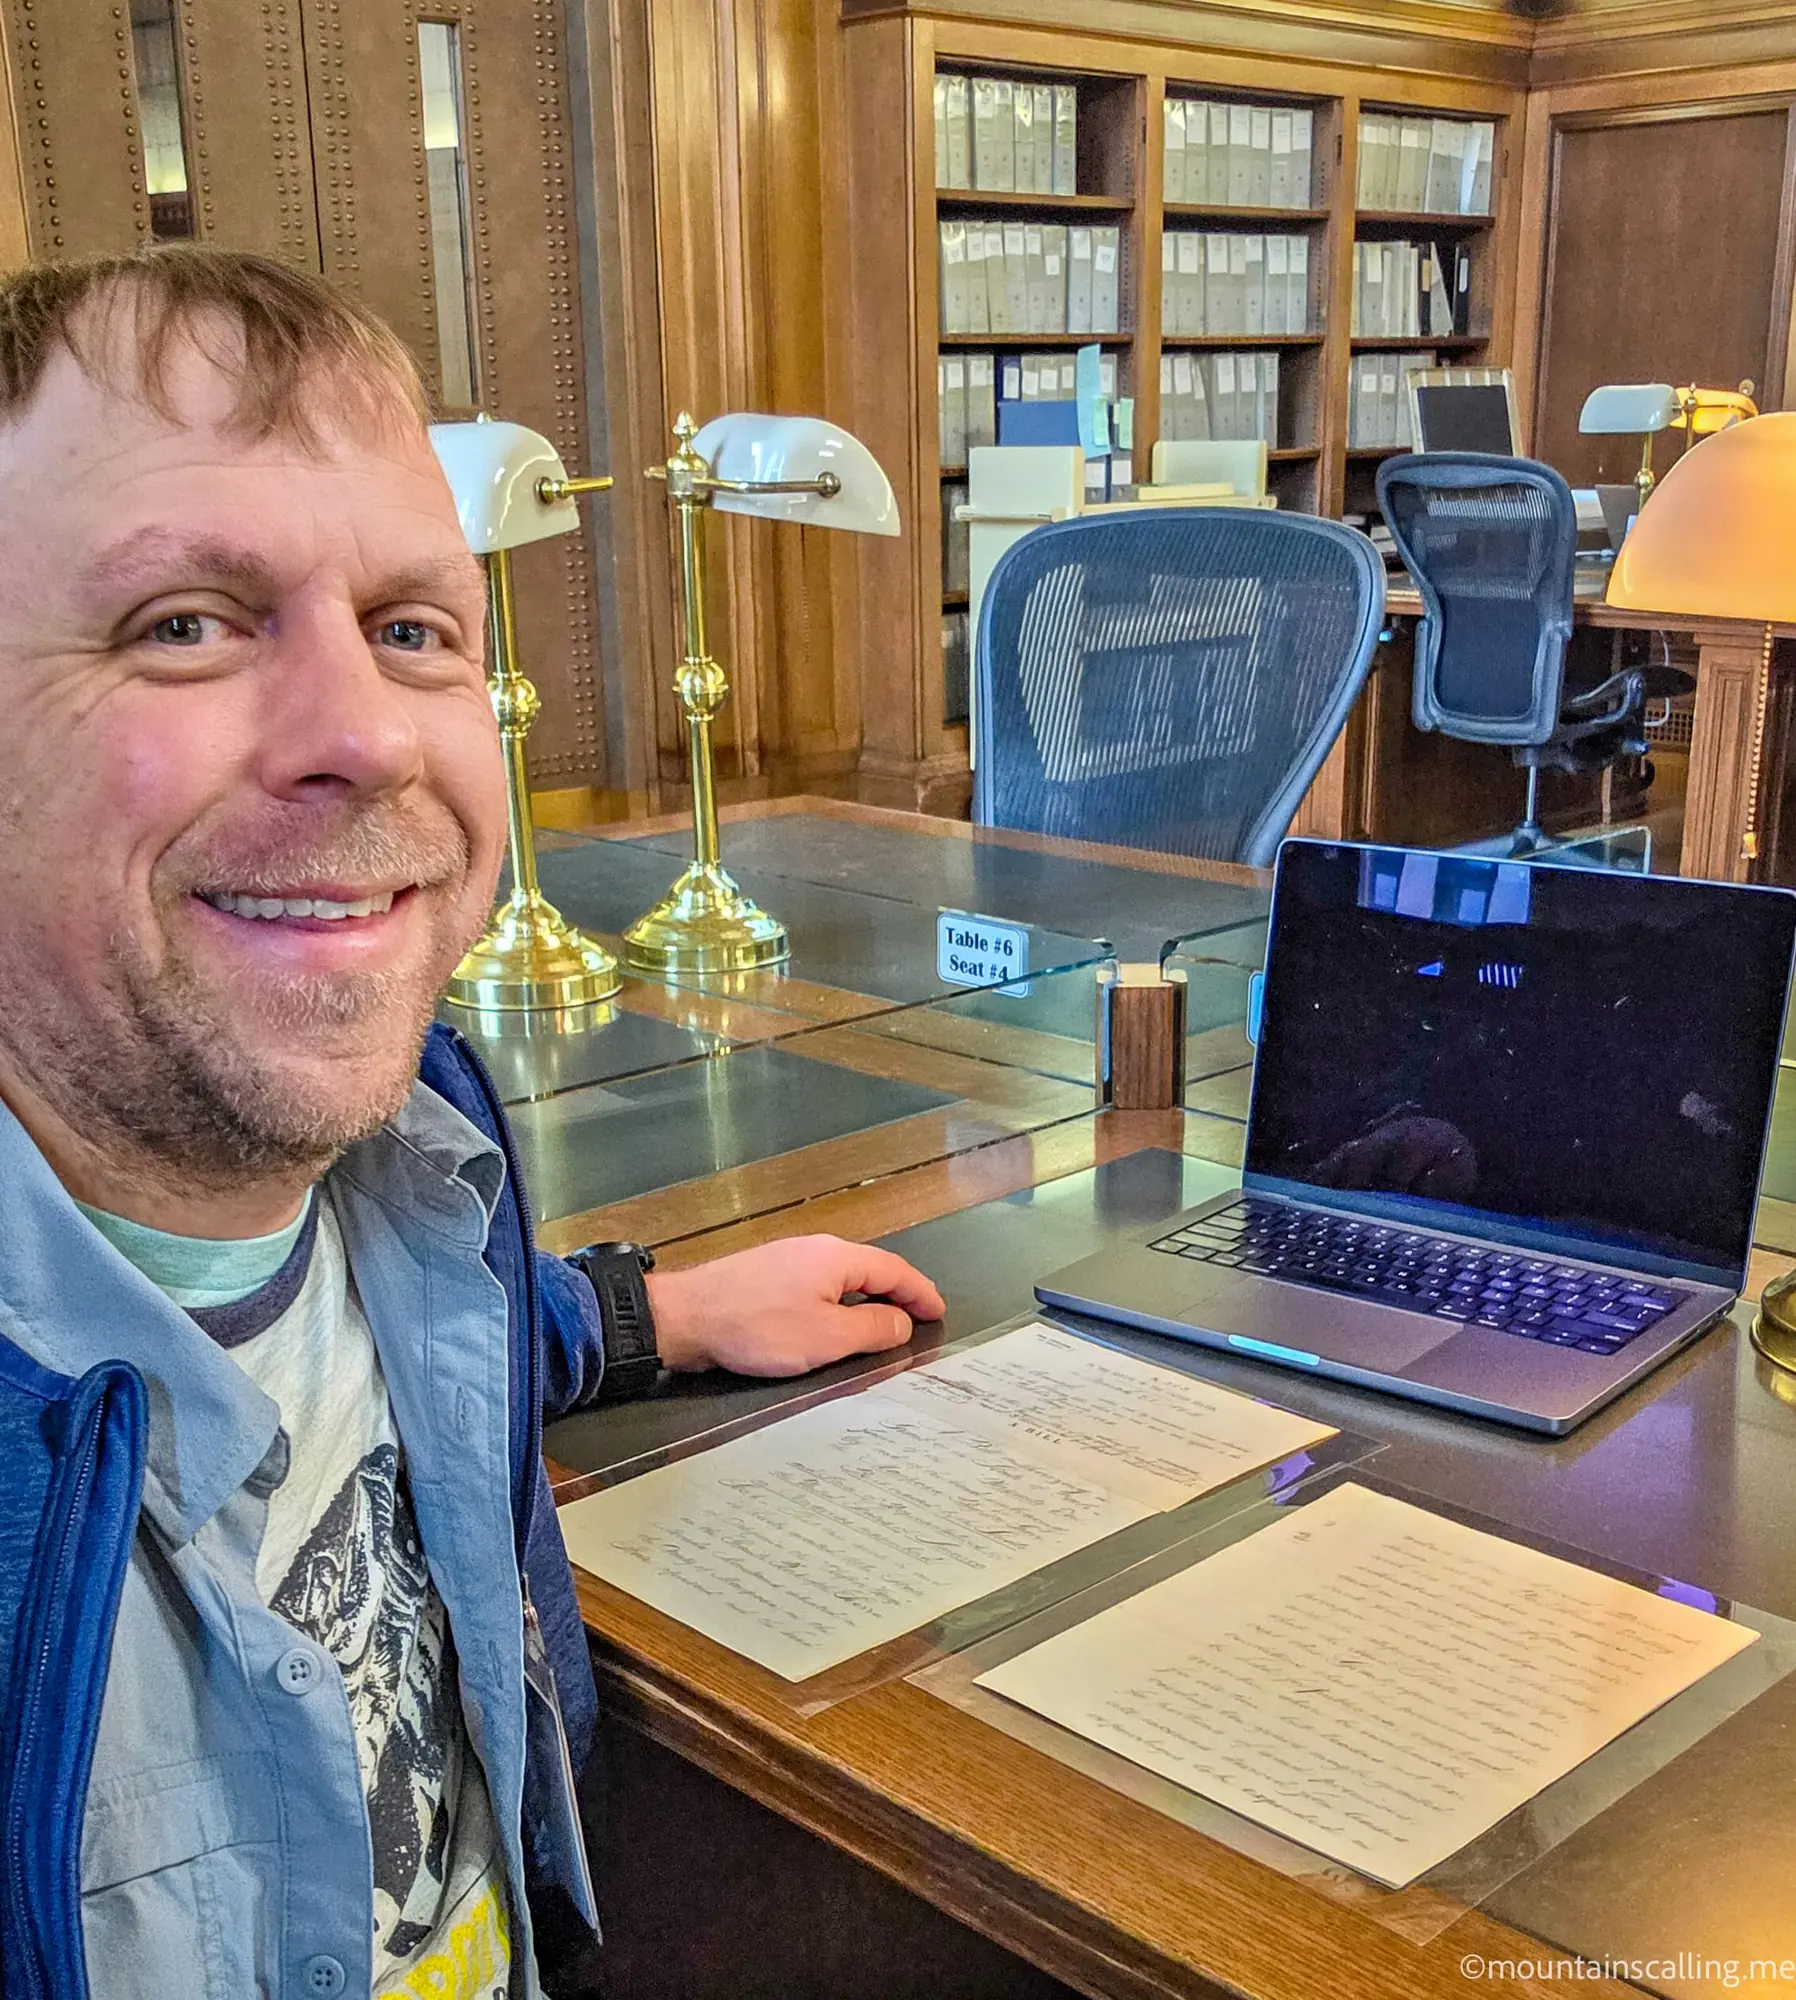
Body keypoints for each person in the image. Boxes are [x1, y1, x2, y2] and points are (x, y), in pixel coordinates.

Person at [0, 245, 944, 2000]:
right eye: (185, 624)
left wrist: (636, 1315)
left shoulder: (419, 1160)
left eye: (414, 628)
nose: (364, 729)